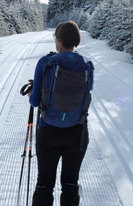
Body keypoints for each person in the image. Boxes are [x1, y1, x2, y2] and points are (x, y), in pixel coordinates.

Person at [29, 21, 92, 206]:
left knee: (44, 184)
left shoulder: (45, 62)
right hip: (77, 132)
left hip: (48, 131)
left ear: (58, 40)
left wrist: (34, 90)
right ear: (75, 41)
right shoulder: (87, 65)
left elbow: (34, 102)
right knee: (70, 183)